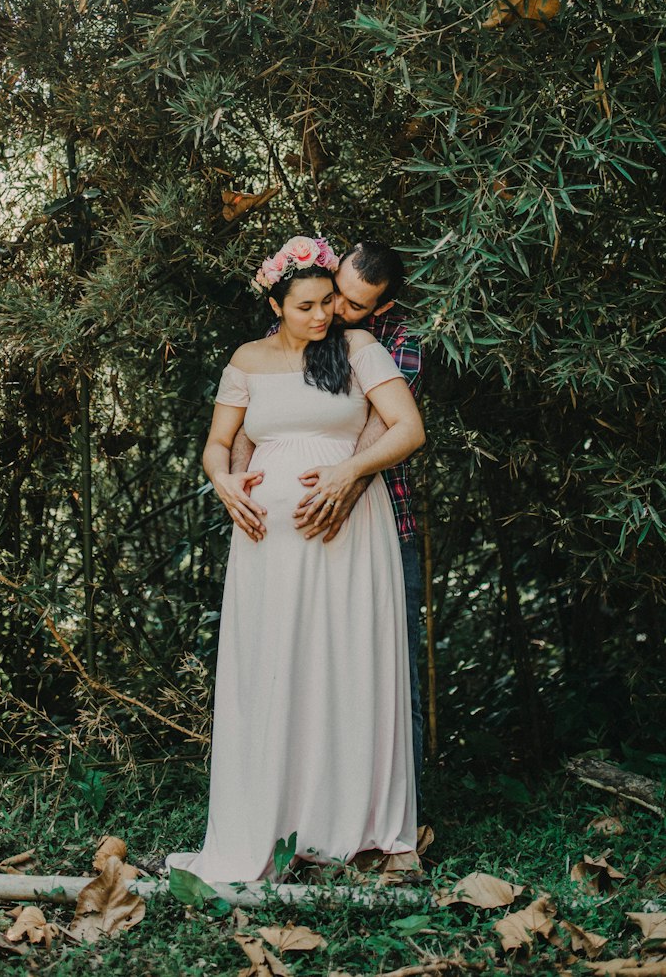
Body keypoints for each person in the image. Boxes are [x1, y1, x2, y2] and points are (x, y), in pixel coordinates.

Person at [167, 234, 425, 883]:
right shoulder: (247, 359)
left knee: (345, 667)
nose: (325, 315)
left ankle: (352, 830)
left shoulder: (360, 347)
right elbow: (218, 446)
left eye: (333, 304)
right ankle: (271, 824)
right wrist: (224, 481)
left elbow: (407, 428)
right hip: (265, 544)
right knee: (275, 670)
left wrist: (347, 476)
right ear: (279, 302)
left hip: (349, 533)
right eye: (311, 304)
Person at [228, 241, 426, 805]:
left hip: (377, 529)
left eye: (353, 306)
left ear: (380, 310)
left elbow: (384, 428)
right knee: (292, 673)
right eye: (333, 294)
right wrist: (242, 489)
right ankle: (295, 805)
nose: (334, 311)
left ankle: (388, 817)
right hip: (284, 543)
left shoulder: (393, 345)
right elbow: (251, 422)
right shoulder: (299, 324)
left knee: (383, 678)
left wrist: (343, 485)